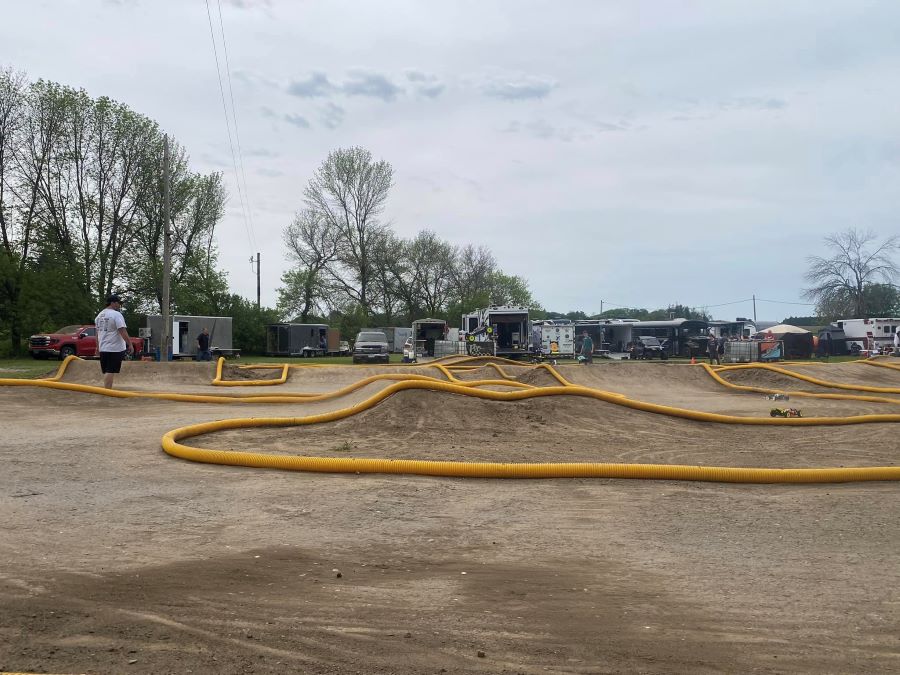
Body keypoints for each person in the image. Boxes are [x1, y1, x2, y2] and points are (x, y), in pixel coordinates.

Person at [95, 293, 133, 389]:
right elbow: (122, 330)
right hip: (114, 348)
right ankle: (107, 391)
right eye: (118, 303)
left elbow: (97, 333)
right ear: (112, 303)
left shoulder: (99, 316)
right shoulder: (116, 315)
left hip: (103, 347)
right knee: (110, 370)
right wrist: (130, 344)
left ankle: (106, 389)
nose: (119, 305)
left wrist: (98, 347)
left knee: (107, 370)